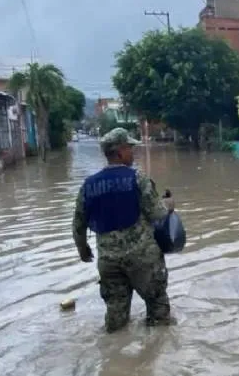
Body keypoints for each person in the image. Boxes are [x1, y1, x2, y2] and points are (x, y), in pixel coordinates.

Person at [72, 128, 176, 333]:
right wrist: (169, 204)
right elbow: (158, 214)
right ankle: (156, 354)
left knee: (115, 317)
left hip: (109, 262)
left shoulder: (88, 185)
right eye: (130, 148)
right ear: (119, 152)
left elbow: (78, 224)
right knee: (158, 310)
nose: (133, 152)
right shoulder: (137, 178)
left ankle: (115, 359)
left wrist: (83, 249)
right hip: (142, 258)